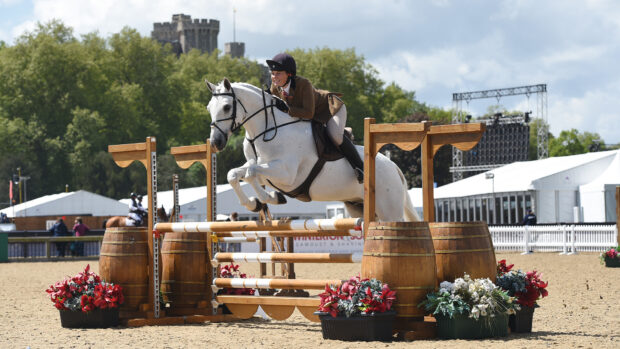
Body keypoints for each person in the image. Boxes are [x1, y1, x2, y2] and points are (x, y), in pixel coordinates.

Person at [266, 53, 364, 183]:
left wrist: (287, 110)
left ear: (289, 73)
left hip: (330, 109)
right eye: (272, 73)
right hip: (309, 115)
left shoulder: (304, 84)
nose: (274, 77)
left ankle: (360, 167)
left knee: (334, 135)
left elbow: (308, 113)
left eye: (278, 73)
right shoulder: (275, 87)